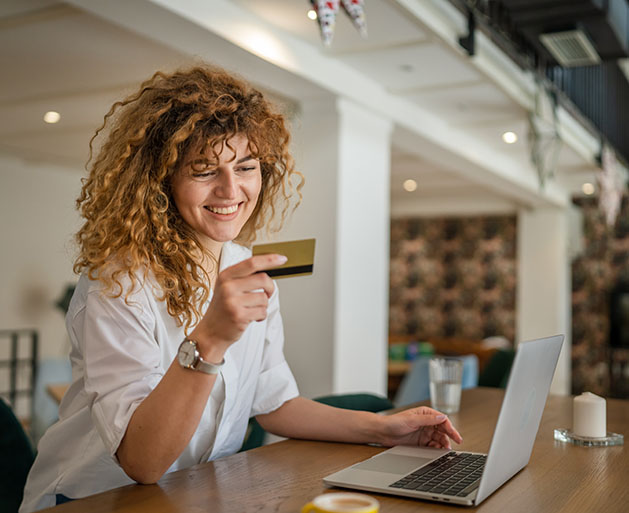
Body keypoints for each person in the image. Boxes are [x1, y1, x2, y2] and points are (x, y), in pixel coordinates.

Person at [20, 65, 462, 512]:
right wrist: (210, 339)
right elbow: (143, 461)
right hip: (92, 499)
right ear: (161, 179)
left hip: (193, 496)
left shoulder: (244, 268)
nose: (231, 189)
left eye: (246, 167)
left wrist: (380, 429)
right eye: (204, 169)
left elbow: (274, 403)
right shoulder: (117, 284)